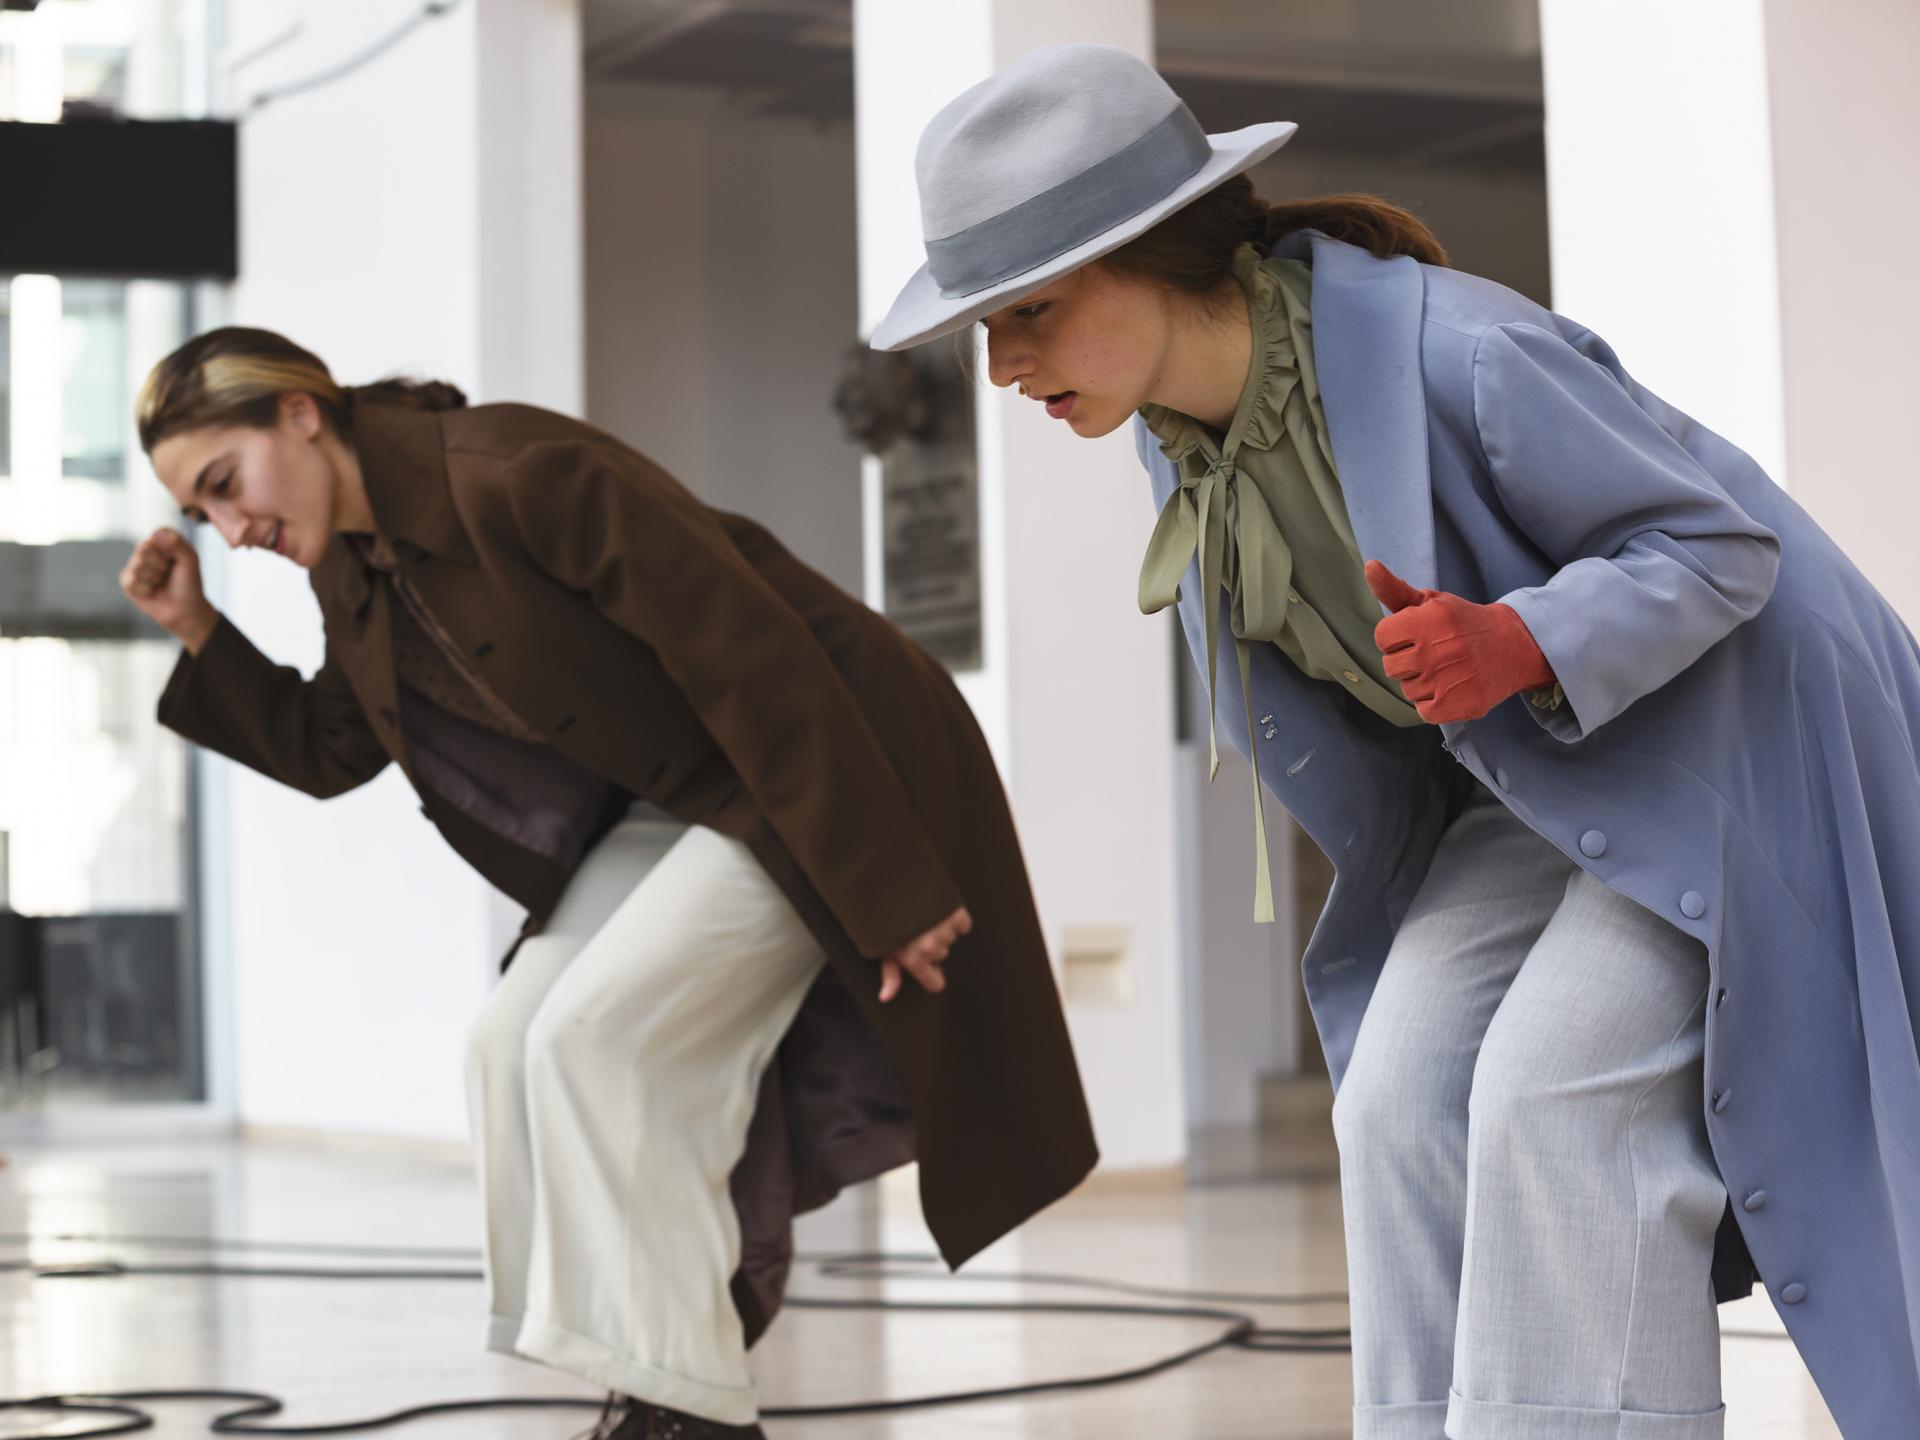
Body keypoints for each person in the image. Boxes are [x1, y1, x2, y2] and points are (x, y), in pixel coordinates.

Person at [872, 42, 1919, 1440]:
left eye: (1031, 315)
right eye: (984, 330)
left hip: (1719, 750)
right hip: (1534, 785)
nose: (1002, 367)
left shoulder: (1460, 352)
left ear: (1149, 251)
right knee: (1392, 1100)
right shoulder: (1178, 440)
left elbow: (1719, 545)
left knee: (1554, 1097)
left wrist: (1524, 640)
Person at [120, 327, 1098, 1440]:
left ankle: (689, 1409)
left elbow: (754, 656)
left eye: (224, 485)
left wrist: (885, 882)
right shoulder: (353, 564)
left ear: (300, 412)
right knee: (506, 1047)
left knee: (593, 1040)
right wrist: (199, 629)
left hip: (816, 756)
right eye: (204, 514)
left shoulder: (516, 474)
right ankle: (659, 1374)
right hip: (684, 792)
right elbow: (334, 747)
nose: (233, 529)